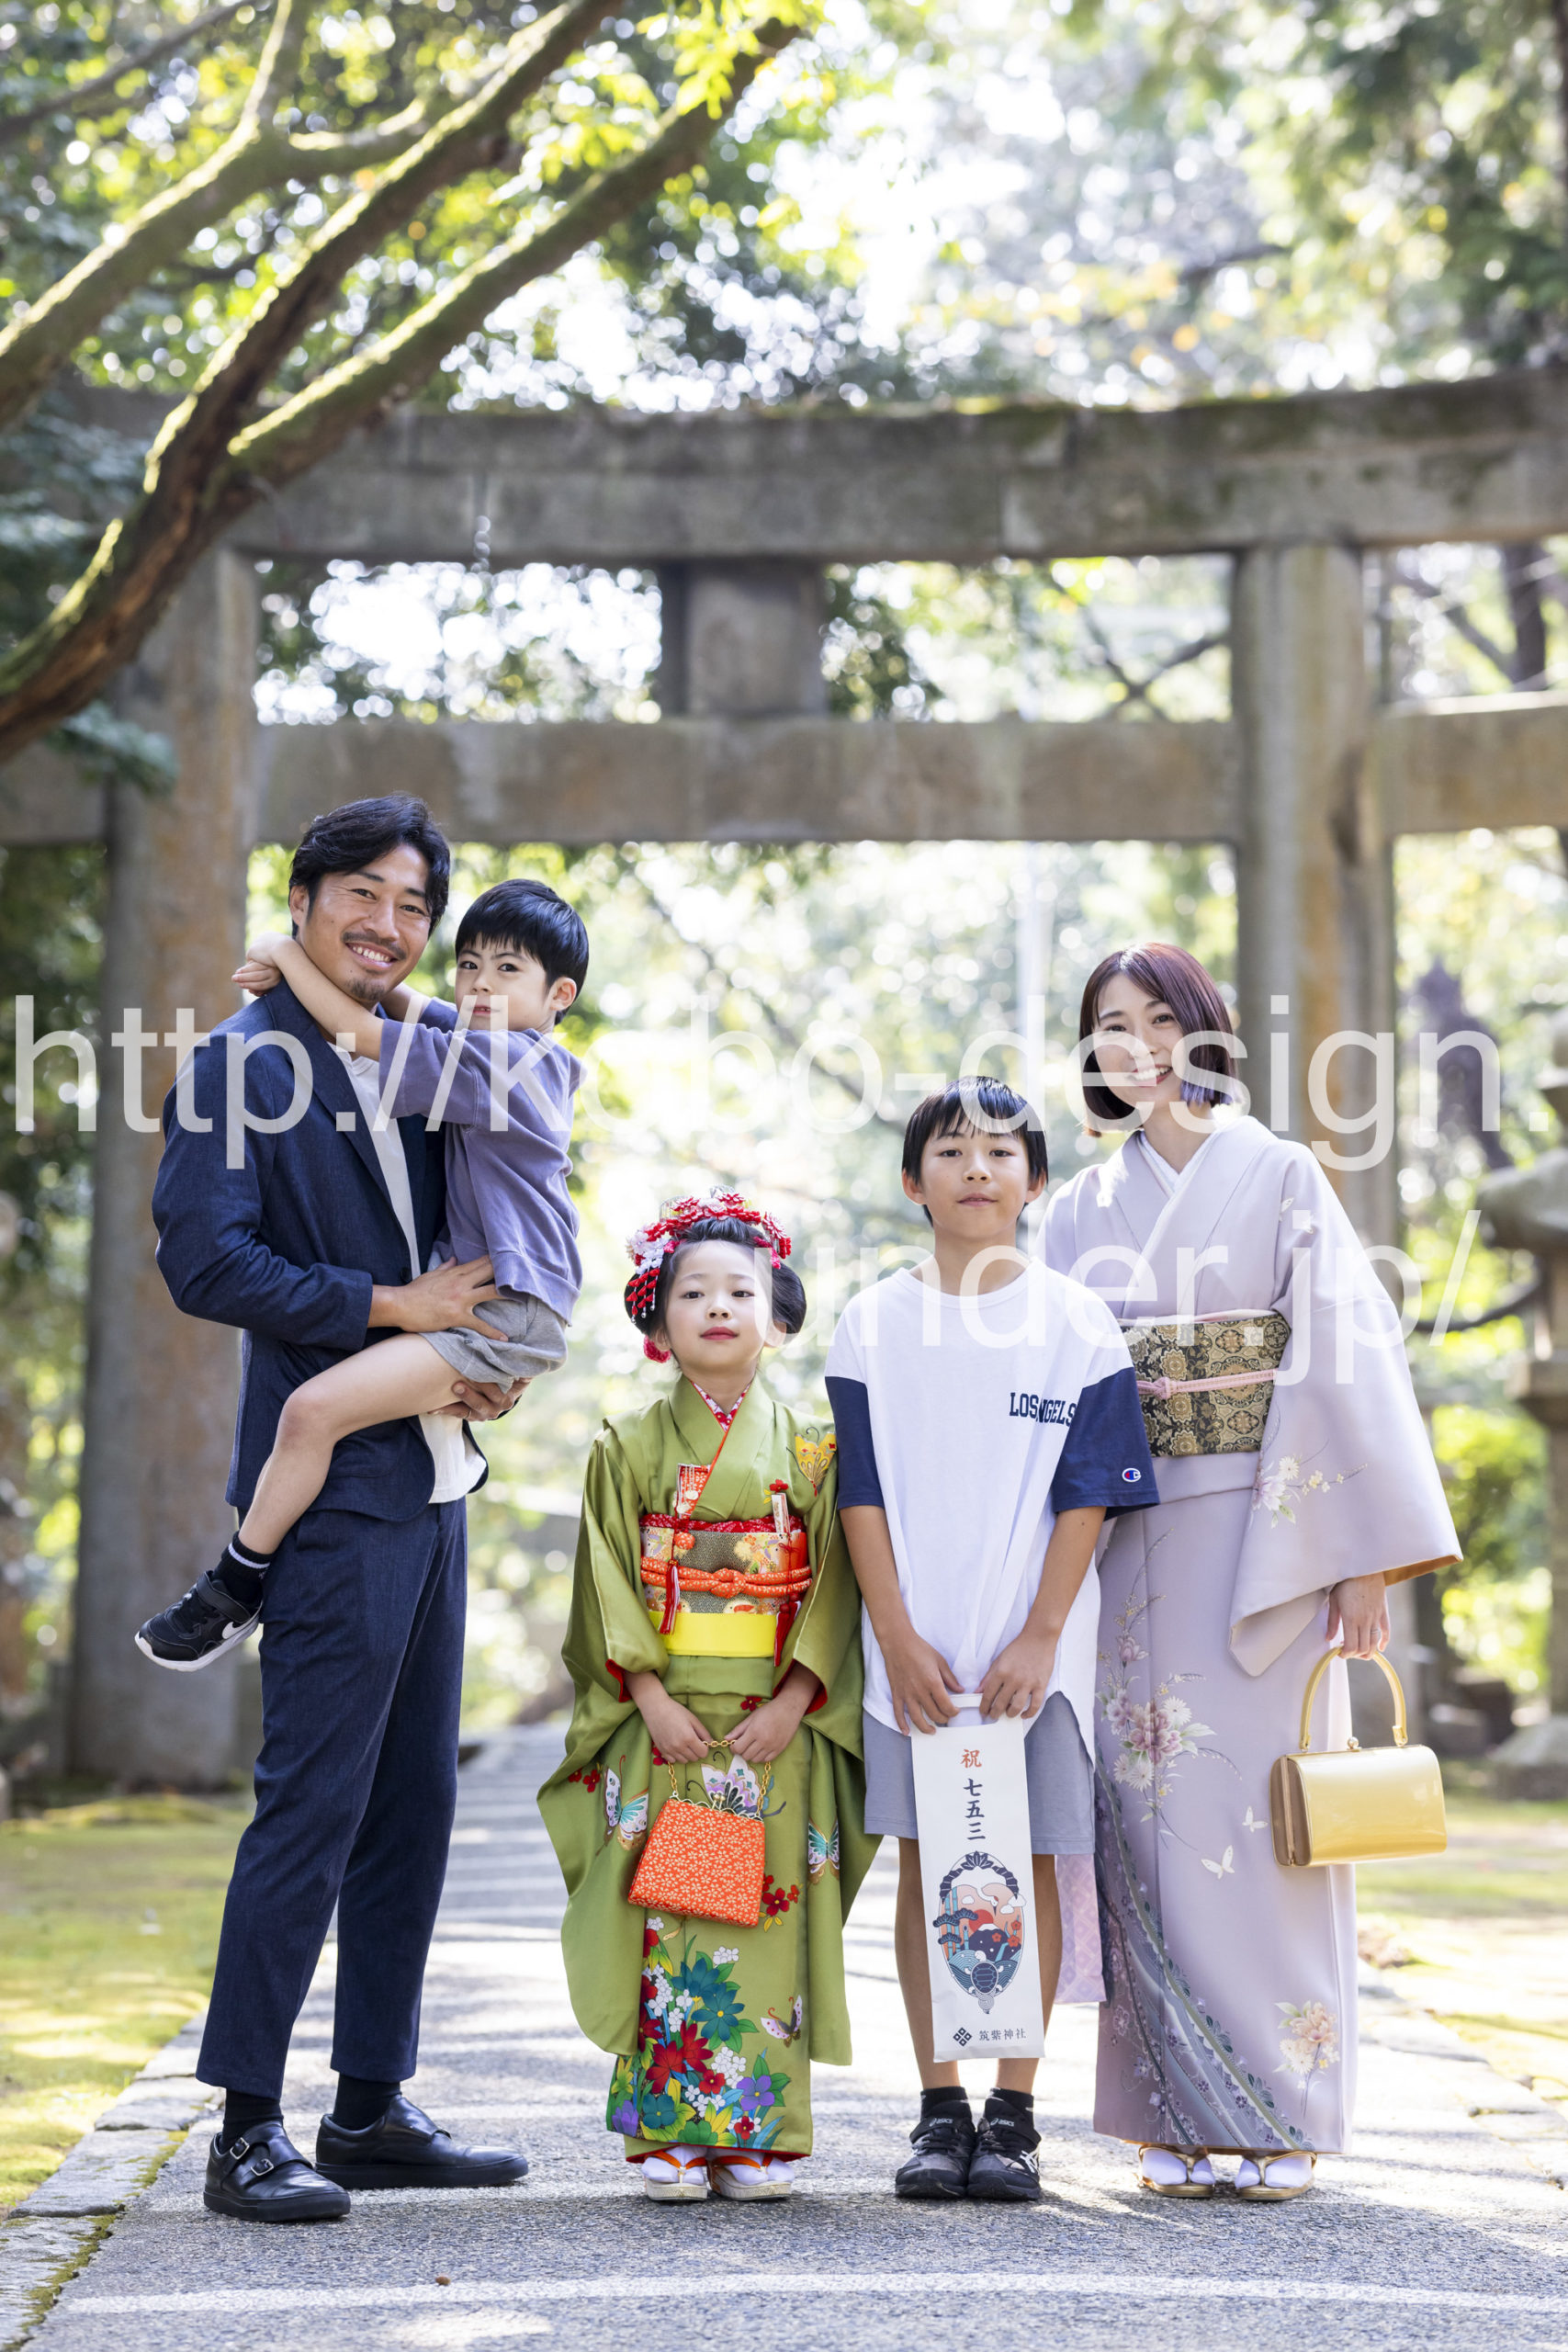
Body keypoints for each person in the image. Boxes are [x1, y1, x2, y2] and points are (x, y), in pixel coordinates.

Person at [150, 797, 531, 2222]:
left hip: (435, 1478)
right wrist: (392, 1308)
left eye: (413, 904)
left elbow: (496, 1196)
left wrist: (480, 1357)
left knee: (413, 1806)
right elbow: (206, 1260)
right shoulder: (235, 1062)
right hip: (330, 1499)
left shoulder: (425, 1054)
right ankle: (245, 2127)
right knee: (308, 1802)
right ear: (303, 898)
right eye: (362, 893)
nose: (388, 923)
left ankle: (368, 2101)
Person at [1043, 942, 1460, 2200]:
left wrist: (1355, 1561)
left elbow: (1341, 1358)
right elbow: (1054, 1385)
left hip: (1271, 1535)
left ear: (1201, 1030)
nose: (1135, 1044)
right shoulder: (1076, 1209)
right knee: (1150, 1821)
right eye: (1109, 1026)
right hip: (1132, 1541)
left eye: (1156, 1019)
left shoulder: (1278, 1172)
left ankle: (1278, 2113)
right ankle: (1173, 2114)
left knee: (1270, 1823)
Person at [825, 1080, 1158, 2204]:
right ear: (911, 1181)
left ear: (1037, 1180)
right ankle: (939, 2107)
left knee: (1033, 1860)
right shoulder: (873, 1321)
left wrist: (1040, 1633)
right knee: (931, 1865)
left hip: (1035, 1659)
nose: (977, 1167)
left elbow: (1089, 1493)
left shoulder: (1076, 1322)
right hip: (913, 1654)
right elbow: (860, 1491)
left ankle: (1013, 2112)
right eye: (952, 1150)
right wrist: (895, 1632)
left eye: (1002, 1151)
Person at [138, 874, 586, 1669]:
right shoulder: (504, 1050)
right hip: (510, 1300)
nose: (480, 985)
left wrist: (283, 952)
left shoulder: (506, 1067)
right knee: (318, 1413)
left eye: (506, 970)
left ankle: (235, 1584)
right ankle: (239, 1579)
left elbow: (359, 1028)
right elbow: (414, 1010)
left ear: (559, 996)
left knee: (313, 1412)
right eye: (469, 965)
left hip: (508, 1304)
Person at [539, 1193, 875, 2204]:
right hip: (672, 1719)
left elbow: (838, 1585)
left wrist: (797, 1698)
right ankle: (675, 2134)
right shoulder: (629, 1445)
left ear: (779, 1316)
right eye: (693, 1293)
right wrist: (645, 1693)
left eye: (740, 1290)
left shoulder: (816, 1450)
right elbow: (605, 1580)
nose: (718, 1307)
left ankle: (758, 2134)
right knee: (677, 1919)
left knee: (764, 1918)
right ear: (657, 1320)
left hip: (774, 1719)